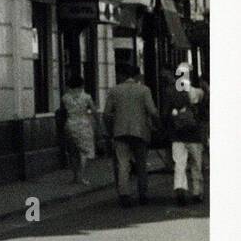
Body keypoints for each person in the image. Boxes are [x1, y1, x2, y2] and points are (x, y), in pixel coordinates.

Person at [103, 65, 160, 208]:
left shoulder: (114, 90)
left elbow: (106, 114)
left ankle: (124, 195)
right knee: (142, 164)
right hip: (140, 132)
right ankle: (143, 194)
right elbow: (152, 111)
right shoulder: (144, 90)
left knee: (123, 164)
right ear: (137, 76)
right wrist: (157, 126)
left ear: (122, 75)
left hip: (120, 132)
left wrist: (110, 130)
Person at [165, 78, 206, 206]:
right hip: (194, 136)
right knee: (196, 163)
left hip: (178, 136)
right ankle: (197, 192)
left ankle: (180, 188)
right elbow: (203, 115)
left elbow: (167, 115)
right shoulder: (198, 96)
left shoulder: (173, 97)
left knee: (179, 163)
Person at [59, 73, 98, 185]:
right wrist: (97, 123)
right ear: (82, 84)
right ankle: (81, 176)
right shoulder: (86, 97)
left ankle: (75, 176)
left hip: (70, 125)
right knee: (85, 151)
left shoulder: (65, 98)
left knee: (73, 152)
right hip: (83, 125)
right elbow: (94, 111)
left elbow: (62, 113)